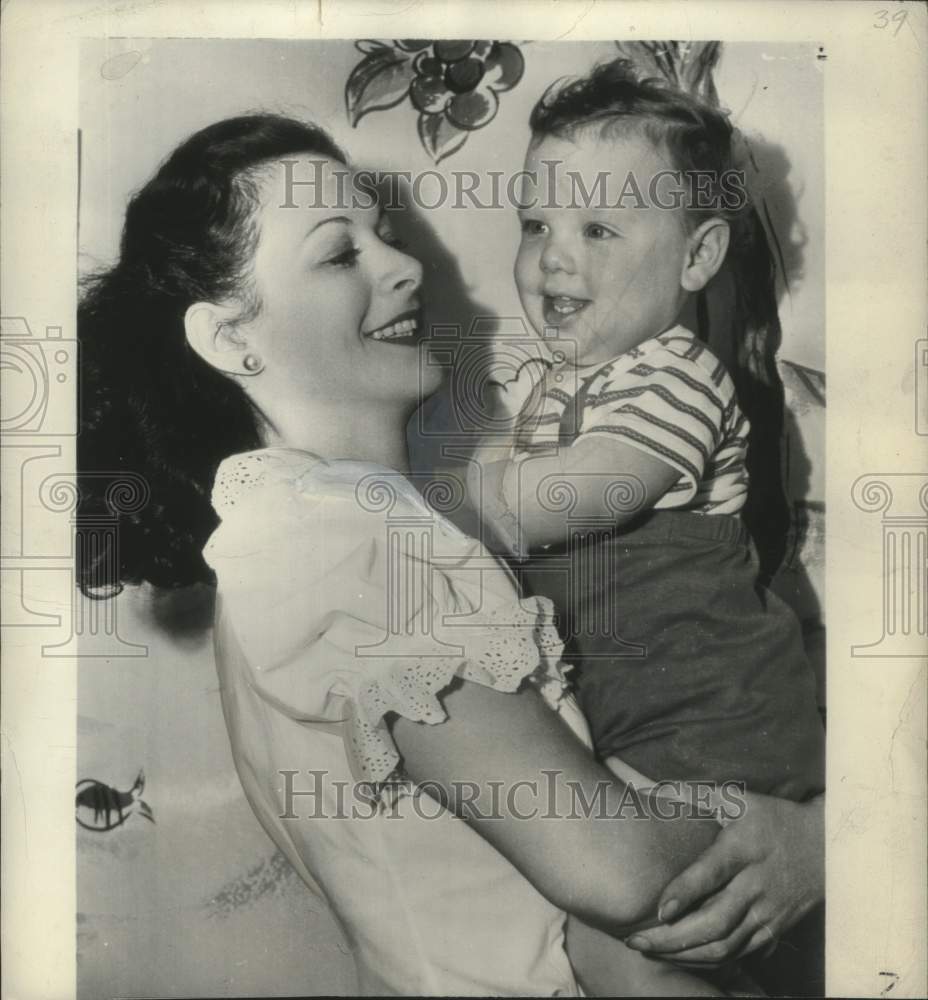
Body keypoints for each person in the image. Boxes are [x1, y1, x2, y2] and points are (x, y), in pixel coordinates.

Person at [78, 112, 824, 996]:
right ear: (227, 337)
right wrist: (820, 842)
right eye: (339, 254)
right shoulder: (337, 549)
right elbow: (618, 872)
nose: (405, 268)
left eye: (384, 235)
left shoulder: (330, 533)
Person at [464, 61, 825, 992]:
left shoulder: (675, 377)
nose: (554, 257)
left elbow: (584, 496)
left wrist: (463, 484)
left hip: (714, 731)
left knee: (620, 937)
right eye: (535, 224)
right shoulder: (544, 389)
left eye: (598, 228)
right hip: (628, 729)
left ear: (697, 258)